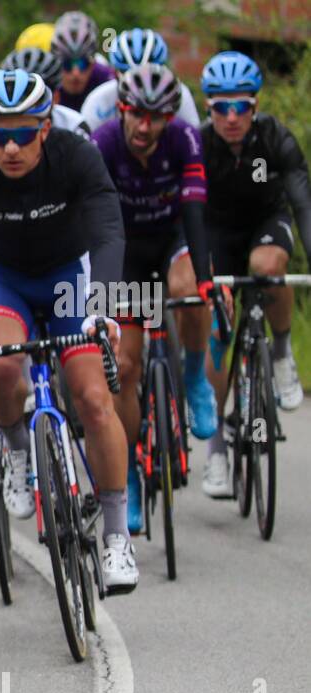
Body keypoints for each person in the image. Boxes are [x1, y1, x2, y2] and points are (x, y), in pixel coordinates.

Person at [0, 69, 138, 592]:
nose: (9, 148)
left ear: (45, 128)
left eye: (22, 133)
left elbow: (107, 229)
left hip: (69, 276)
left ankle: (117, 536)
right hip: (5, 279)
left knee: (95, 399)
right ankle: (15, 446)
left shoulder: (77, 154)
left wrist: (105, 307)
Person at [93, 64, 219, 533]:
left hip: (170, 240)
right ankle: (125, 472)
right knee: (124, 367)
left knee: (190, 289)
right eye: (136, 115)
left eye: (156, 117)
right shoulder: (102, 143)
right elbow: (96, 223)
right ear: (121, 109)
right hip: (123, 249)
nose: (145, 127)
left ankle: (193, 377)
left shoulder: (185, 139)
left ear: (170, 116)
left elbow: (194, 211)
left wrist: (205, 277)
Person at [199, 51, 311, 494]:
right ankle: (216, 453)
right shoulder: (199, 145)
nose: (231, 117)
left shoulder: (276, 140)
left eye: (240, 106)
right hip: (217, 233)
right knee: (219, 332)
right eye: (221, 108)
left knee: (269, 268)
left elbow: (302, 204)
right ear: (209, 109)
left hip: (266, 224)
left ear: (255, 106)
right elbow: (189, 211)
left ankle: (281, 353)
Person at [81, 28, 199, 130]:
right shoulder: (99, 100)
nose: (139, 86)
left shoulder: (180, 94)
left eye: (148, 76)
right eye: (129, 76)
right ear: (116, 73)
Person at [50, 10, 113, 113]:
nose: (76, 73)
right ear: (56, 64)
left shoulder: (107, 79)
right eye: (67, 64)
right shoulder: (48, 82)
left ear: (93, 63)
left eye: (83, 63)